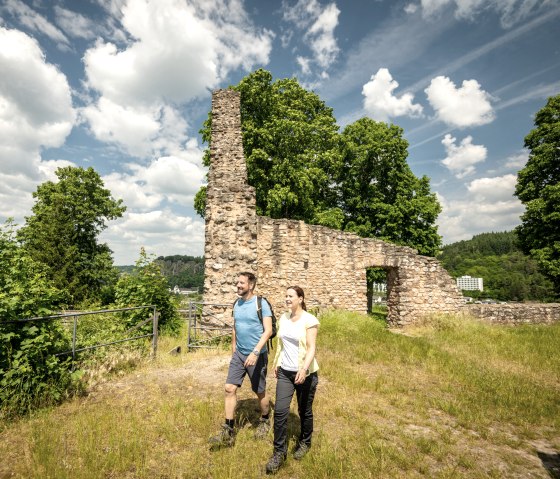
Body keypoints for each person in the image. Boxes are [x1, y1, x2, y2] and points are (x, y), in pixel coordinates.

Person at [209, 272, 273, 448]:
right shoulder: (236, 303)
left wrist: (255, 352)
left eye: (241, 282)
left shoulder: (262, 304)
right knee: (229, 388)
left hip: (257, 354)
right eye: (237, 282)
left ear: (250, 285)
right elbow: (235, 328)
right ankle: (228, 431)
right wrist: (234, 350)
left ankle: (265, 419)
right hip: (239, 354)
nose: (238, 285)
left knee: (259, 391)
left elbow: (267, 331)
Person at [265, 286, 319, 474]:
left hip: (306, 373)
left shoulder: (309, 320)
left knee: (305, 411)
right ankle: (279, 453)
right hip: (286, 373)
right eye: (286, 296)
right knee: (280, 412)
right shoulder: (284, 318)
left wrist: (303, 369)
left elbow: (311, 348)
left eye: (291, 296)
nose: (287, 299)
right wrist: (277, 362)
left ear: (301, 299)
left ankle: (305, 442)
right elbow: (281, 344)